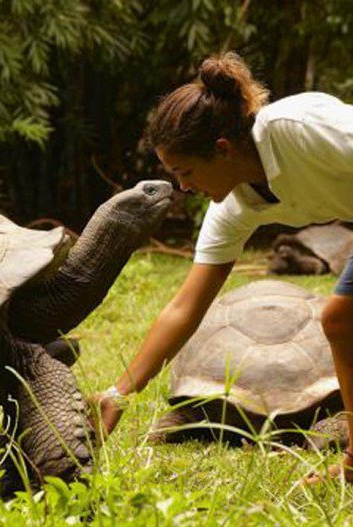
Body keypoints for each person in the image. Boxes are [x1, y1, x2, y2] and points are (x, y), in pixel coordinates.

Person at [92, 51, 353, 483]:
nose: (183, 187)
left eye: (186, 171)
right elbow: (185, 308)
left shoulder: (296, 129)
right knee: (341, 322)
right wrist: (119, 393)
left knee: (342, 316)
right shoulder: (235, 206)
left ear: (223, 149)